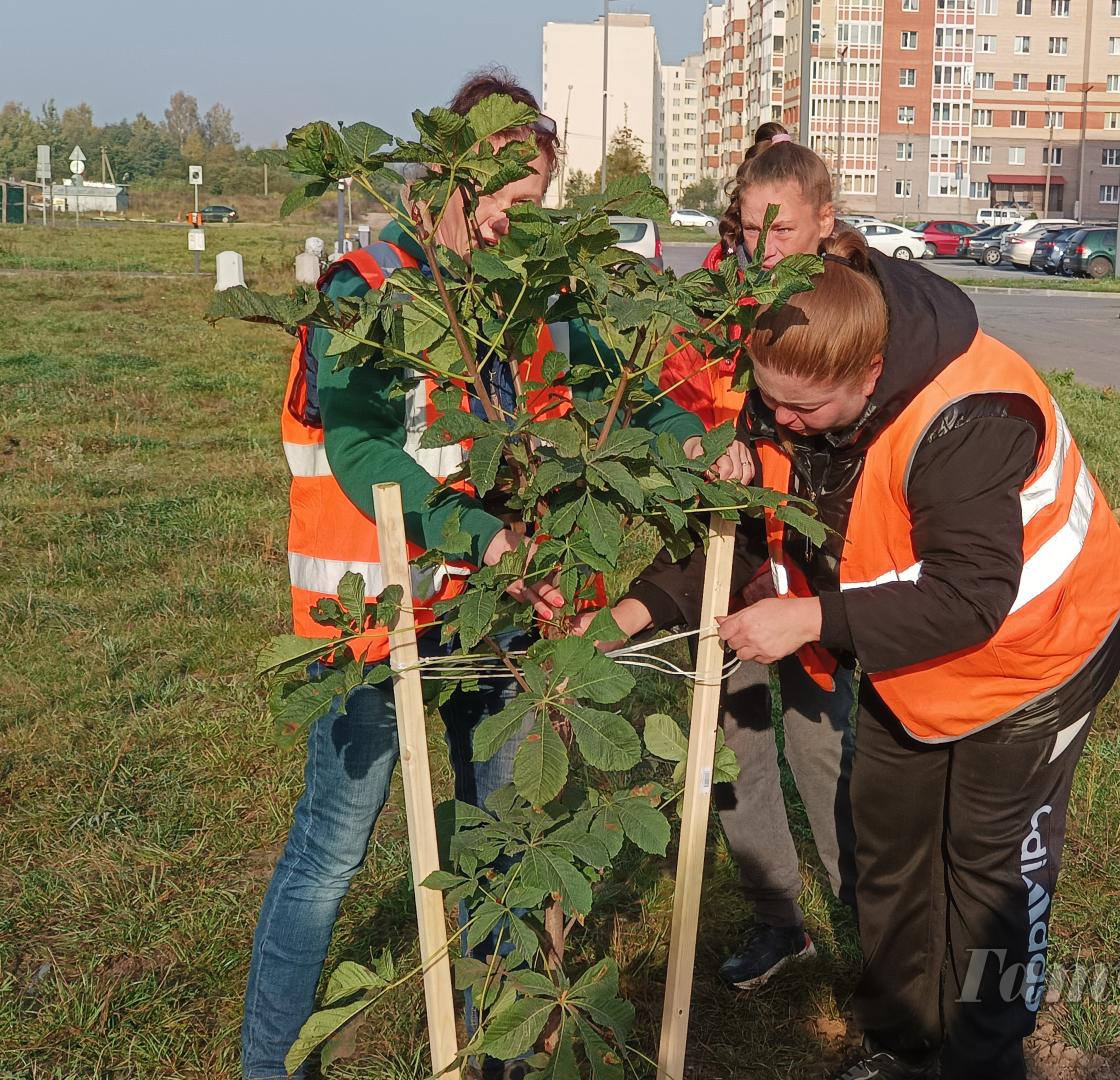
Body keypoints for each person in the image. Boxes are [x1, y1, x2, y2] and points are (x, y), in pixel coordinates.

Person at [243, 70, 713, 1079]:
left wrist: (696, 446)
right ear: (447, 177)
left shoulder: (533, 293)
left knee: (500, 845)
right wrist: (481, 533)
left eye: (533, 203)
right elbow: (366, 453)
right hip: (379, 623)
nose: (516, 221)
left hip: (501, 622)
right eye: (505, 197)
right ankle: (268, 1066)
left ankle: (490, 1058)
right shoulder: (363, 291)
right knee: (331, 853)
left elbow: (623, 389)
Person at [610, 230, 1120, 1078]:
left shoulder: (972, 415)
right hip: (907, 647)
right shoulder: (794, 383)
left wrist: (811, 617)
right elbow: (750, 527)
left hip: (1039, 654)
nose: (779, 422)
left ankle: (984, 1057)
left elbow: (968, 596)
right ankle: (900, 1045)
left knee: (990, 871)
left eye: (801, 412)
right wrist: (629, 613)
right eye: (769, 404)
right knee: (887, 849)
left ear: (869, 371)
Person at [649, 126, 858, 990]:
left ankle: (871, 927)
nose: (761, 248)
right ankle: (780, 920)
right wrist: (705, 445)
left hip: (811, 559)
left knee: (824, 745)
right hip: (721, 550)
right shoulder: (711, 301)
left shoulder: (849, 299)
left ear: (823, 223)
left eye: (781, 229)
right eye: (748, 230)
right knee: (734, 737)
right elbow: (672, 398)